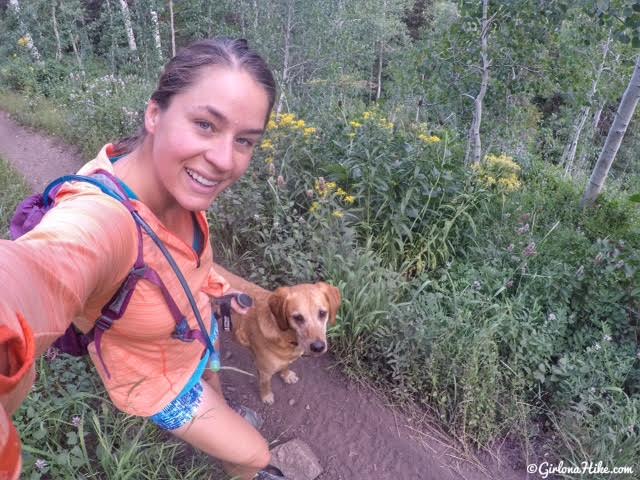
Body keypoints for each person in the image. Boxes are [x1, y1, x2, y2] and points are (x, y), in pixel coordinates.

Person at [0, 37, 286, 480]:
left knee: (216, 384)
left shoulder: (180, 183)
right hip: (158, 382)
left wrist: (217, 289)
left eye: (245, 140)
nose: (225, 159)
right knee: (254, 455)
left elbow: (181, 263)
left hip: (195, 332)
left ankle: (221, 405)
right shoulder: (103, 218)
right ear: (155, 114)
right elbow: (41, 268)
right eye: (206, 125)